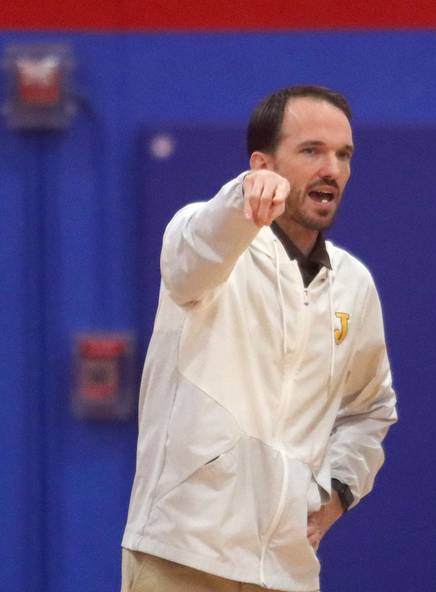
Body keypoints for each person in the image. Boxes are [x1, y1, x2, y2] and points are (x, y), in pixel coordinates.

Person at [121, 85, 397, 592]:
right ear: (262, 164)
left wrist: (337, 491)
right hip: (182, 555)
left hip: (287, 572)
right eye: (311, 150)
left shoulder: (354, 285)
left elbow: (370, 409)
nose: (331, 170)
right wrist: (240, 200)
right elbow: (198, 246)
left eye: (343, 155)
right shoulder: (203, 240)